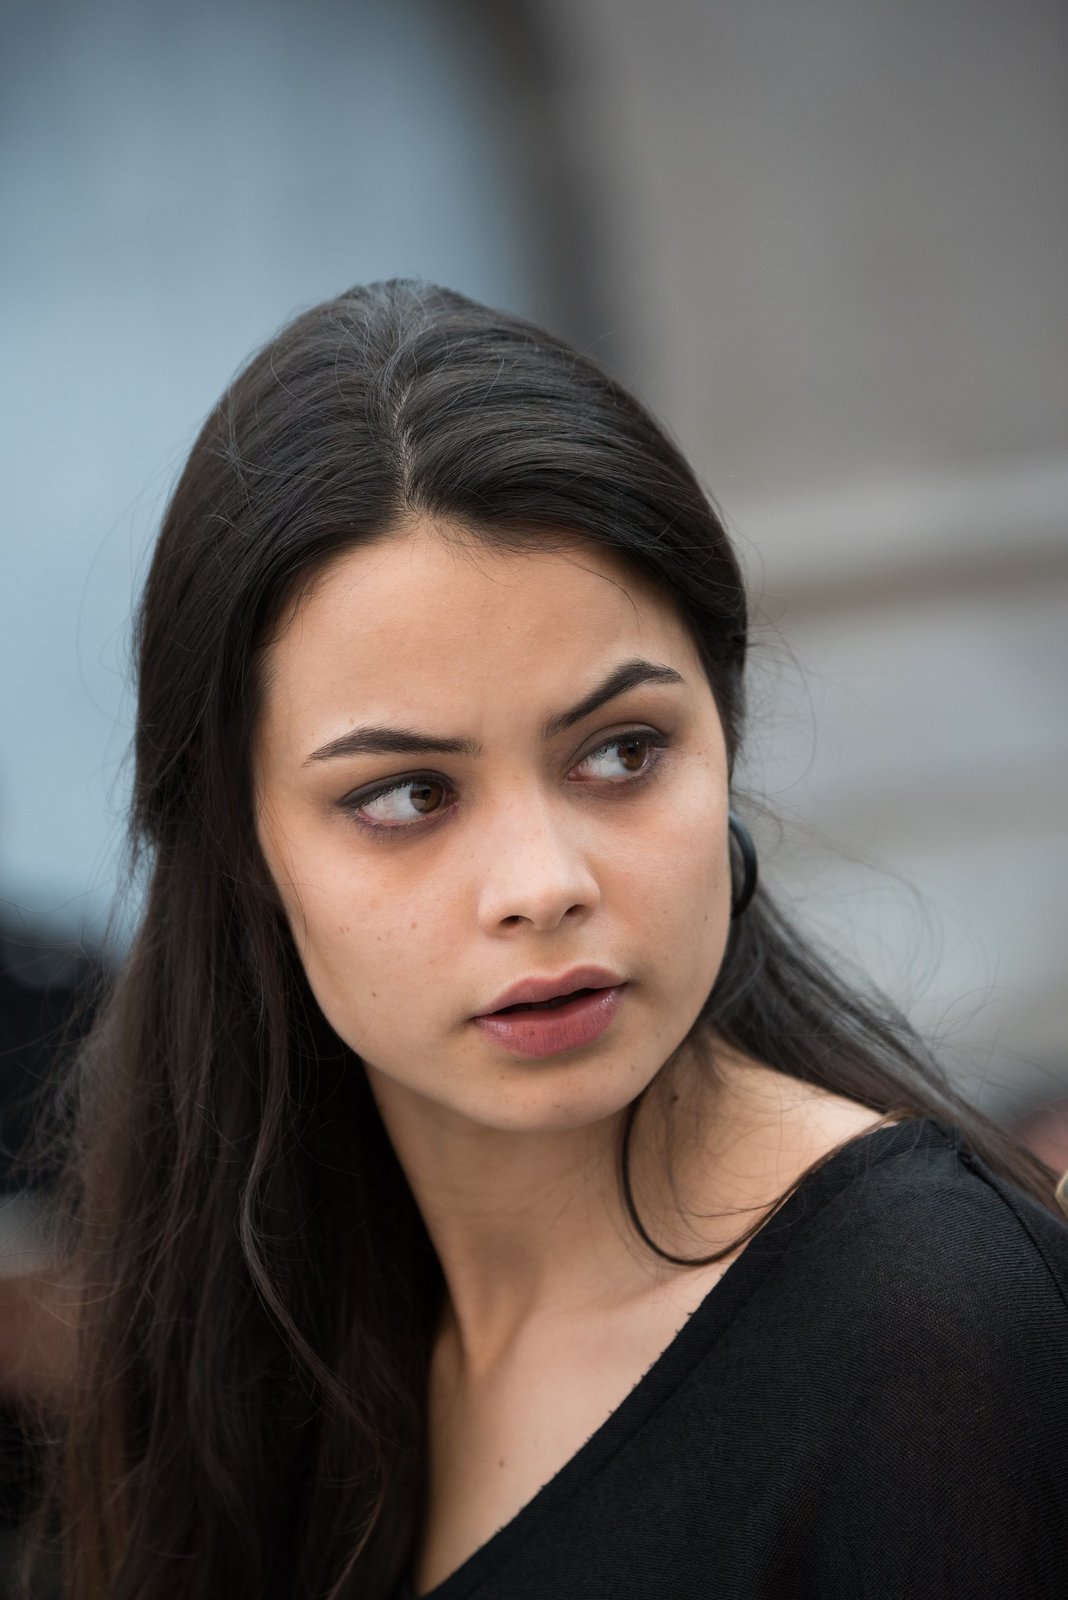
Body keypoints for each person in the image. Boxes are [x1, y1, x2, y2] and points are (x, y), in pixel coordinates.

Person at [18, 281, 1068, 1600]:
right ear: (242, 846)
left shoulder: (929, 1329)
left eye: (622, 752)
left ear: (724, 738)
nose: (542, 885)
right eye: (408, 793)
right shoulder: (272, 1337)